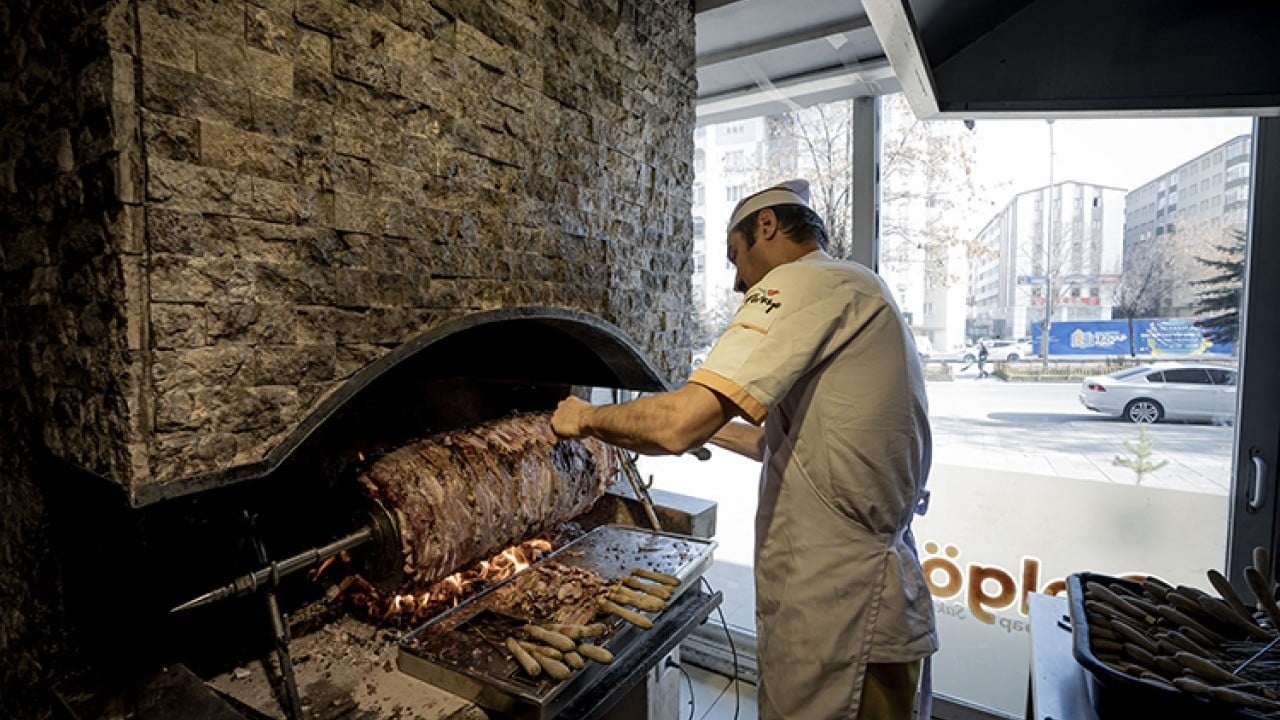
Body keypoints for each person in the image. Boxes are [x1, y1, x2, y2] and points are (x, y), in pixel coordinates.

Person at [550, 179, 937, 719]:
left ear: (768, 227)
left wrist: (586, 418)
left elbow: (679, 425)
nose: (736, 282)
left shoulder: (803, 285)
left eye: (736, 257)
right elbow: (778, 442)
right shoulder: (857, 288)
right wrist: (703, 429)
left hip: (840, 610)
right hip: (867, 591)